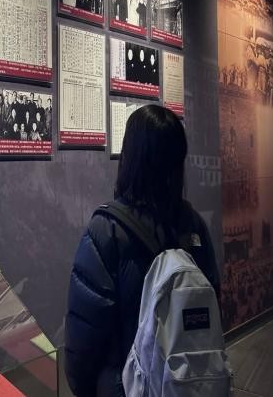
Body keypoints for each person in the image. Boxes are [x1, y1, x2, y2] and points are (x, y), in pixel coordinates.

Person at [64, 105, 220, 397]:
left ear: (130, 156)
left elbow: (85, 337)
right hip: (188, 386)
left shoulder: (107, 230)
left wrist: (88, 387)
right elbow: (211, 306)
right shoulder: (193, 224)